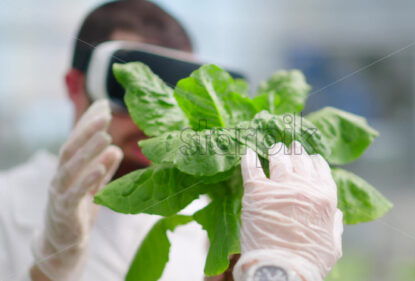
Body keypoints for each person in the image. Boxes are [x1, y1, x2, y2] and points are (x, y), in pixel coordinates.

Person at [0, 1, 344, 280]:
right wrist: (50, 266)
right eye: (130, 92)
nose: (150, 122)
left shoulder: (206, 213)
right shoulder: (7, 202)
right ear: (75, 86)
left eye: (175, 95)